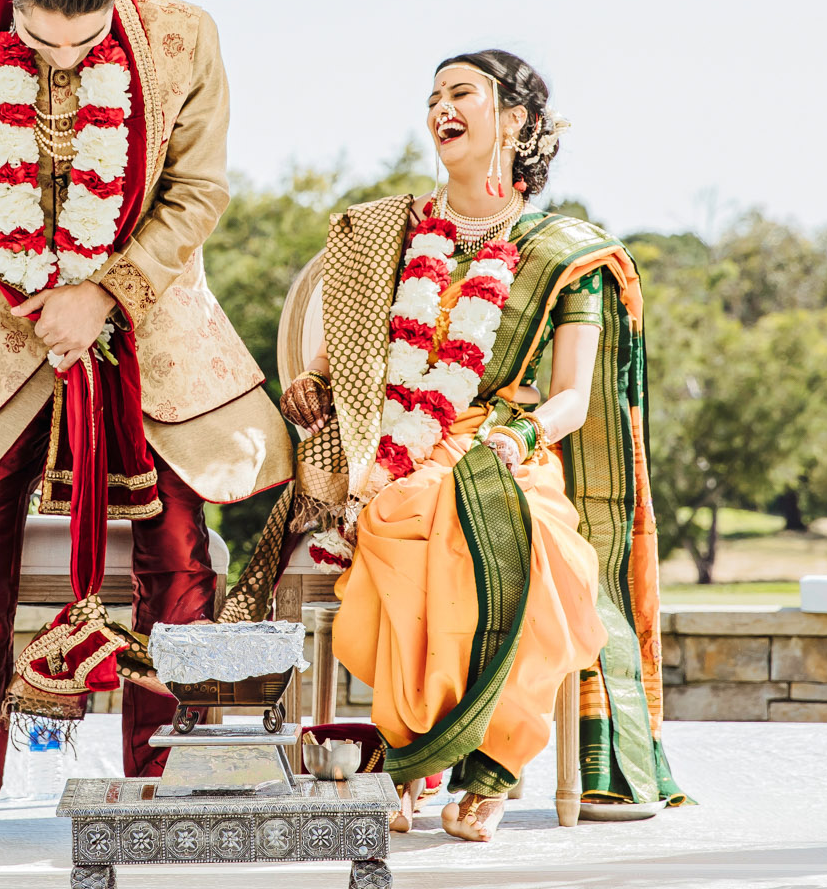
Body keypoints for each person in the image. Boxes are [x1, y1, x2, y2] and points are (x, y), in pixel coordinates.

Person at [0, 0, 290, 842]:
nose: (62, 60)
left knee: (177, 546)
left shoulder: (186, 36)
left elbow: (198, 193)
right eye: (37, 40)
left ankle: (168, 777)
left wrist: (104, 294)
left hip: (150, 319)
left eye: (85, 41)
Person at [244, 49, 681, 841]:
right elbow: (351, 337)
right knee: (401, 512)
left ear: (512, 119)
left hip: (503, 441)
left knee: (531, 543)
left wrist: (521, 438)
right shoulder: (391, 230)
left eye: (461, 93)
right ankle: (419, 751)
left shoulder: (565, 253)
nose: (440, 107)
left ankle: (495, 762)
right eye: (433, 96)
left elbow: (574, 398)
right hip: (396, 437)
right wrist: (315, 377)